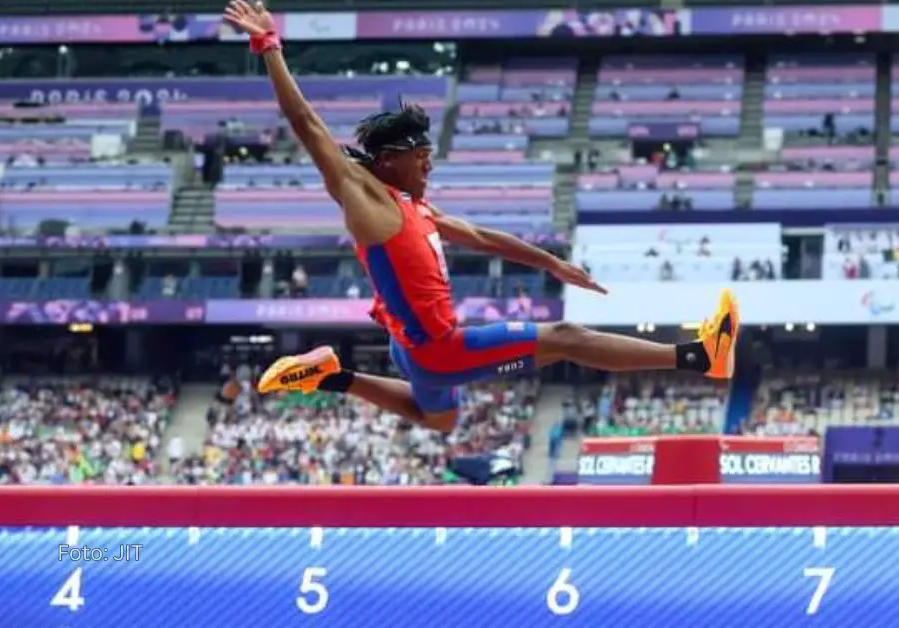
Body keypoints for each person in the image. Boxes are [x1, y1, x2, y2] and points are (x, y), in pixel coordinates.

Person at [222, 1, 741, 483]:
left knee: (440, 420)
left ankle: (332, 377)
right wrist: (269, 45)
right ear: (386, 162)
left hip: (410, 351)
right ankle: (699, 356)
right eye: (419, 156)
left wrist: (551, 263)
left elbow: (480, 236)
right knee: (564, 334)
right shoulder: (367, 198)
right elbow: (307, 125)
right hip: (438, 350)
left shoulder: (413, 206)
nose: (429, 163)